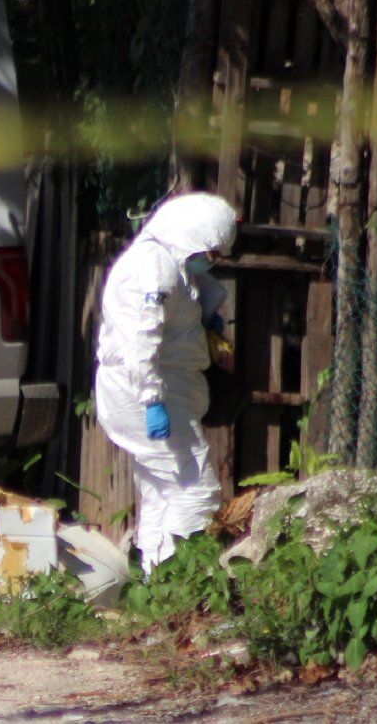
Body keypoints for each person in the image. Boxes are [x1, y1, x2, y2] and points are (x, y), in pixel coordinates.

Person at [96, 192, 237, 574]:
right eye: (211, 254)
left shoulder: (170, 264)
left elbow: (168, 328)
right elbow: (142, 341)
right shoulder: (153, 267)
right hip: (144, 391)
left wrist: (204, 326)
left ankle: (157, 583)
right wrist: (152, 399)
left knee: (162, 493)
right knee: (194, 489)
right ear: (190, 238)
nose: (212, 263)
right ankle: (187, 582)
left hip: (158, 388)